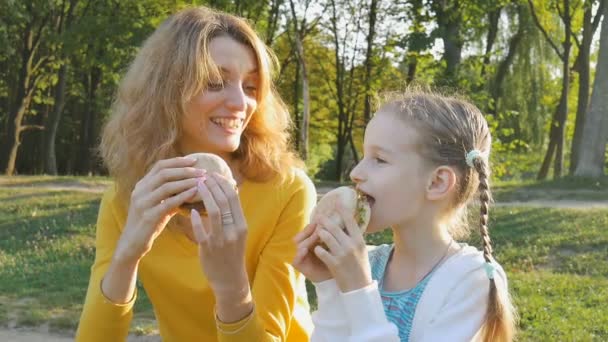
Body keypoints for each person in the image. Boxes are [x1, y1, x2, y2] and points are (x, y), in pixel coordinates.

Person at [76, 6, 316, 341]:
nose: (240, 103)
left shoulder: (287, 191)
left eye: (250, 86)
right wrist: (127, 255)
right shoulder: (128, 198)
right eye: (216, 82)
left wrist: (232, 286)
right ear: (166, 90)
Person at [293, 90, 518, 341]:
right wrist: (329, 284)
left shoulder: (469, 279)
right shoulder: (366, 262)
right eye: (364, 156)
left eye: (379, 159)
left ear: (436, 182)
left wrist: (358, 289)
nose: (356, 172)